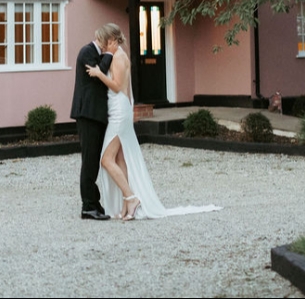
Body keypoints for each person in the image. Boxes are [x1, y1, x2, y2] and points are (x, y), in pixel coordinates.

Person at [87, 24, 221, 220]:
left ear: (113, 40)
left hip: (118, 112)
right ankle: (126, 203)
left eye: (105, 43)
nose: (104, 47)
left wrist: (99, 74)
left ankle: (131, 197)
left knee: (106, 160)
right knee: (119, 158)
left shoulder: (118, 57)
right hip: (118, 109)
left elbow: (117, 86)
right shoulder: (118, 55)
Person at [70, 24, 117, 220]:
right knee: (89, 161)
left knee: (94, 161)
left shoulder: (95, 52)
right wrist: (110, 55)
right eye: (112, 41)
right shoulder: (86, 52)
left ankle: (94, 202)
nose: (113, 45)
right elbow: (99, 75)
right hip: (87, 114)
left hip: (97, 114)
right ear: (106, 40)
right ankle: (88, 206)